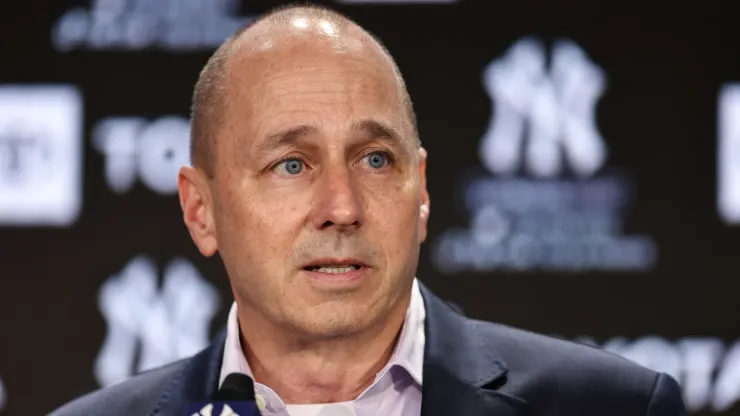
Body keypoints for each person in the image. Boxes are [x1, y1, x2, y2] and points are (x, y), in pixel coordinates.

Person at [50, 4, 686, 416]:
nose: (342, 208)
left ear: (424, 190)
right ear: (201, 211)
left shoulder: (616, 407)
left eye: (376, 160)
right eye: (291, 165)